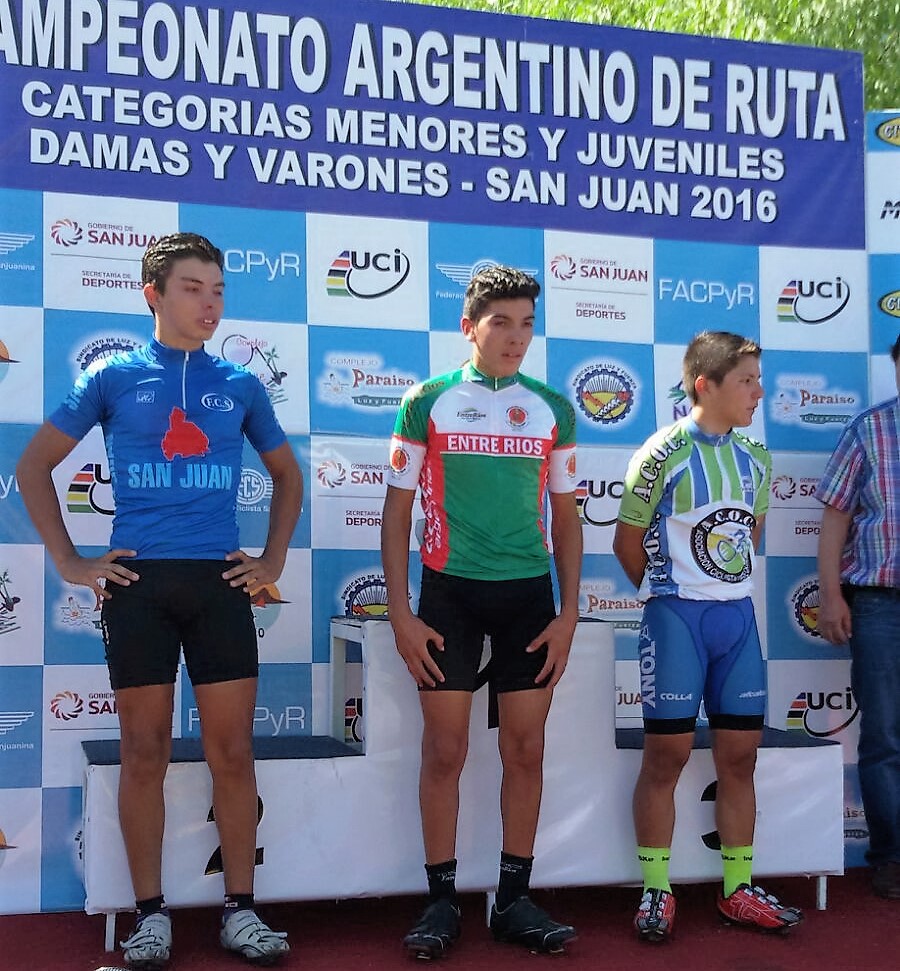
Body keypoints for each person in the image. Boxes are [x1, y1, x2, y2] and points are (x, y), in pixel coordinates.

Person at [16, 233, 303, 968]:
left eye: (218, 290)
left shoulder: (239, 383)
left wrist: (271, 557)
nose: (210, 304)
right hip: (138, 589)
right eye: (192, 288)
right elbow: (34, 465)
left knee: (232, 752)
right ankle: (150, 916)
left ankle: (241, 909)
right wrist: (70, 561)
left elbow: (287, 475)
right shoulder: (112, 375)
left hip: (217, 586)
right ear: (154, 295)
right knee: (143, 752)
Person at [380, 266, 582, 958]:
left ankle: (514, 899)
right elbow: (397, 510)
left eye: (527, 324)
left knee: (525, 750)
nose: (516, 337)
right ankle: (440, 901)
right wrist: (401, 613)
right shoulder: (426, 400)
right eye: (502, 323)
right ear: (469, 327)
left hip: (528, 597)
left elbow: (566, 519)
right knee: (446, 750)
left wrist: (569, 612)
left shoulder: (553, 406)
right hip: (450, 594)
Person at [613, 331, 802, 942]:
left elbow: (750, 538)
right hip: (676, 621)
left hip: (736, 622)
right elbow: (626, 543)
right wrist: (670, 593)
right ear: (706, 385)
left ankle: (737, 890)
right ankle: (656, 891)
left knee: (740, 758)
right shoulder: (661, 452)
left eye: (758, 379)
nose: (758, 391)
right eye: (747, 380)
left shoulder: (757, 458)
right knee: (665, 758)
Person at [816, 332, 900, 900]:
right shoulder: (868, 430)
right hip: (879, 603)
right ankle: (891, 857)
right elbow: (835, 518)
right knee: (885, 736)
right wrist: (830, 595)